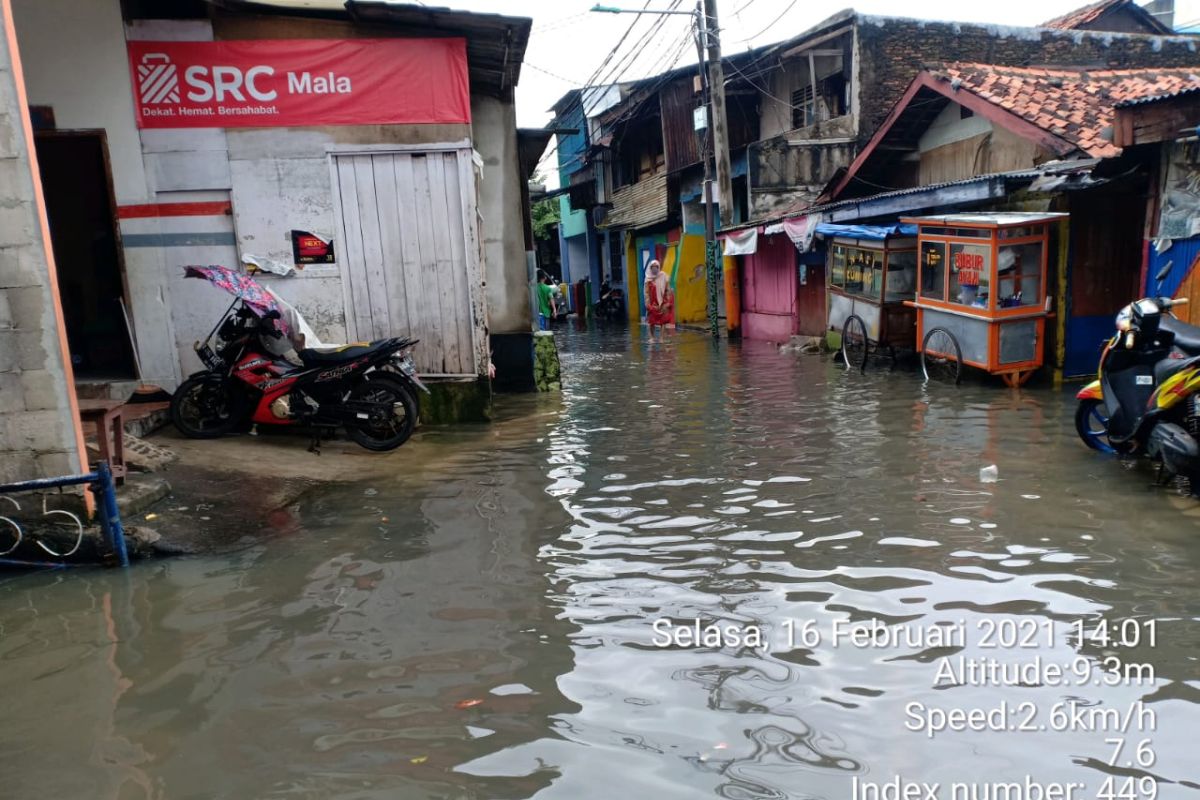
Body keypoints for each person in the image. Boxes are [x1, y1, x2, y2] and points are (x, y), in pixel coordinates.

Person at [644, 260, 672, 338]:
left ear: (658, 267)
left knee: (663, 320)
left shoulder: (663, 276)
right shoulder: (648, 279)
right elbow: (646, 292)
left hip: (662, 301)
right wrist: (647, 303)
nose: (654, 269)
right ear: (650, 268)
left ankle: (661, 337)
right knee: (651, 321)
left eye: (656, 267)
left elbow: (667, 289)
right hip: (652, 302)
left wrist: (668, 301)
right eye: (652, 267)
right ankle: (651, 338)